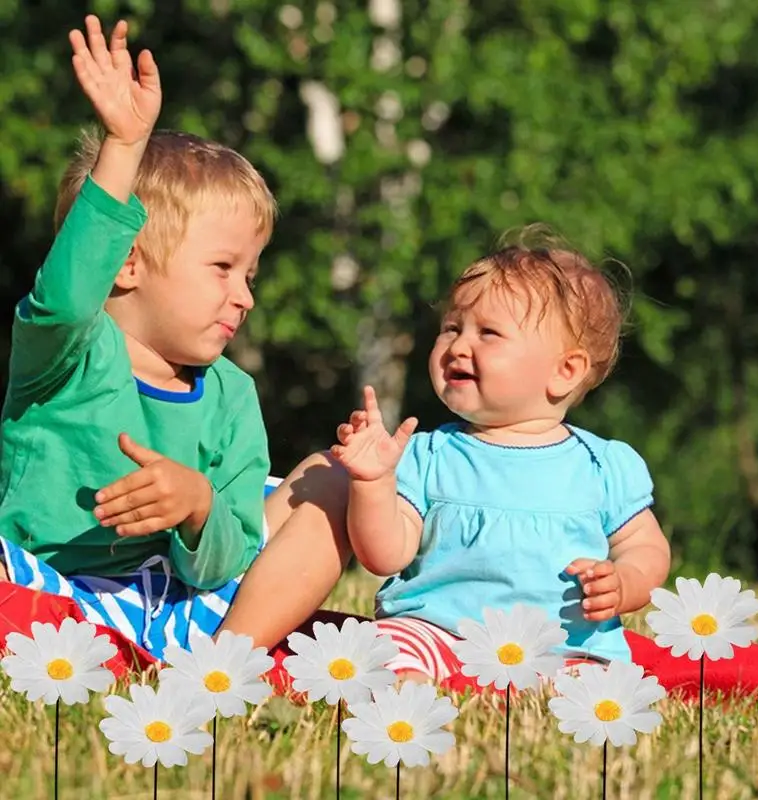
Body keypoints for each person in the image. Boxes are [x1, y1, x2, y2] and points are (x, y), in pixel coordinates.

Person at [223, 240, 672, 682]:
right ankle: (408, 694)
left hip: (565, 645)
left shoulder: (602, 465)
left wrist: (625, 582)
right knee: (386, 648)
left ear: (565, 371)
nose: (458, 346)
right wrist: (373, 482)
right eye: (452, 328)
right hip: (436, 633)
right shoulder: (427, 455)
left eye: (488, 333)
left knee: (603, 685)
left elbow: (646, 549)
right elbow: (385, 555)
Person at [0, 15, 275, 660]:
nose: (245, 294)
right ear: (126, 262)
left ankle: (196, 661)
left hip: (160, 604)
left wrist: (199, 507)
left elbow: (228, 555)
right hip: (36, 589)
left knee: (319, 493)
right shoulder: (67, 351)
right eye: (222, 268)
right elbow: (66, 293)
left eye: (250, 274)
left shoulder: (233, 396)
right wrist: (123, 146)